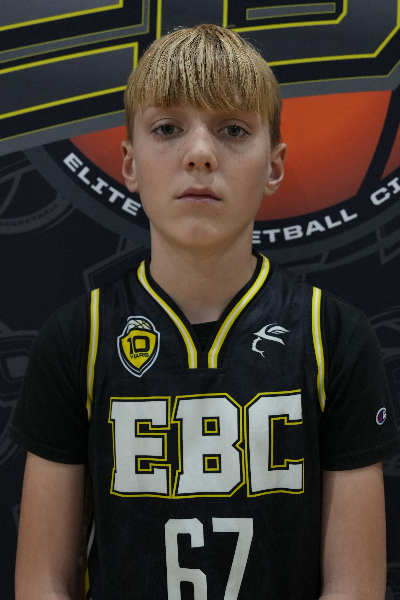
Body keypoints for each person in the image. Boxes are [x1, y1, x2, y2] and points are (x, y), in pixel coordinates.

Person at [11, 24, 400, 600]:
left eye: (233, 130)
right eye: (167, 129)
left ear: (274, 165)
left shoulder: (333, 336)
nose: (199, 154)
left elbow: (356, 588)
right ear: (129, 164)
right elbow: (43, 581)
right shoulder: (78, 338)